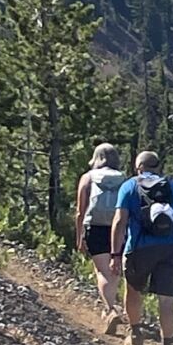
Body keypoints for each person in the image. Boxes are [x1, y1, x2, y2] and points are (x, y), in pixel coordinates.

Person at [109, 150, 173, 345]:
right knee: (166, 299)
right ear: (158, 167)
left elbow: (119, 222)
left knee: (134, 290)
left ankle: (136, 336)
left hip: (139, 249)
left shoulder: (129, 186)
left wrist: (115, 254)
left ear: (138, 168)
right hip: (169, 248)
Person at [75, 143, 128, 333]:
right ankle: (111, 307)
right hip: (118, 228)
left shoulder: (88, 177)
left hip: (95, 227)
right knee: (114, 270)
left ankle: (110, 309)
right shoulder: (123, 179)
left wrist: (79, 236)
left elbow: (81, 211)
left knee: (102, 271)